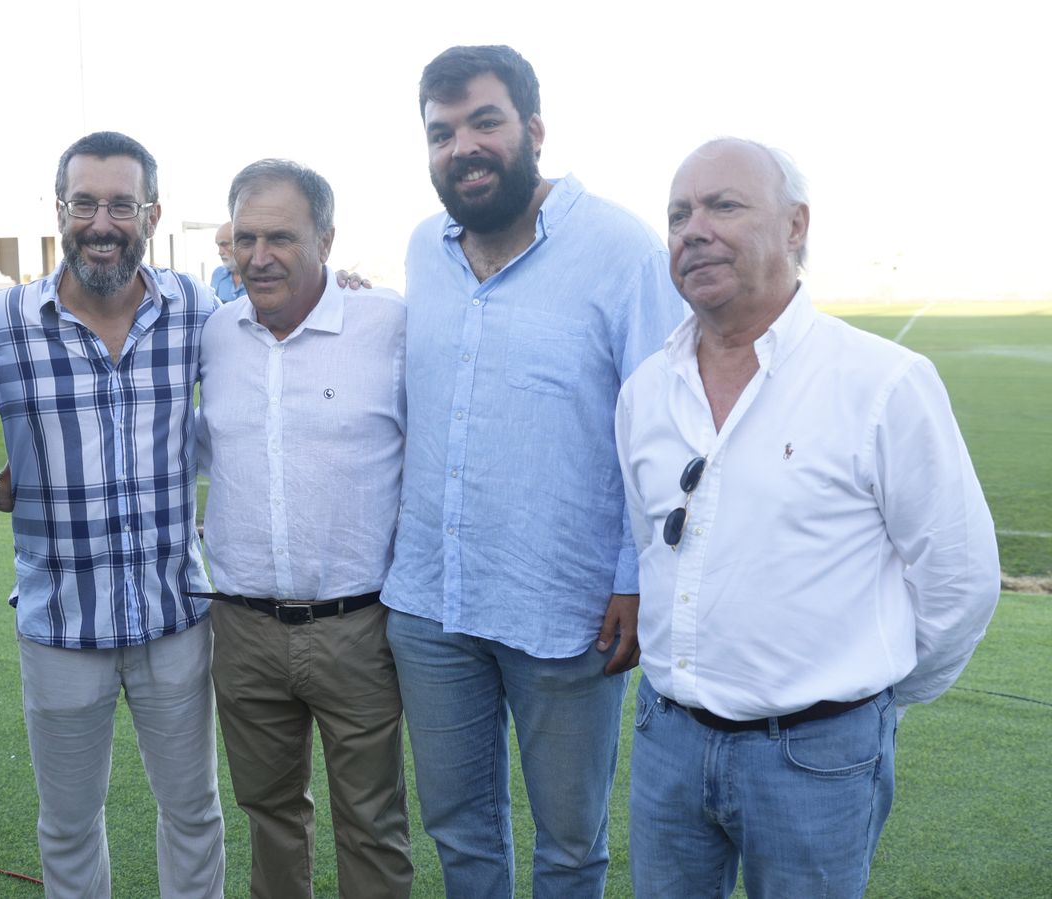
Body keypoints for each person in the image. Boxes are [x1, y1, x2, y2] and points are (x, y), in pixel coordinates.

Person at [617, 137, 1000, 897]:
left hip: (817, 758)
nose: (694, 228)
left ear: (796, 226)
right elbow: (655, 548)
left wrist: (865, 699)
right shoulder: (645, 391)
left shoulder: (882, 383)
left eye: (724, 205)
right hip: (668, 741)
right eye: (678, 214)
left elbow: (960, 579)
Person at [381, 45, 687, 897]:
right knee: (460, 830)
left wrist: (634, 577)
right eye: (441, 133)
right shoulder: (422, 247)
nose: (462, 147)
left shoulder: (621, 248)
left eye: (485, 121)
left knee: (570, 843)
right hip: (431, 603)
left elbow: (662, 428)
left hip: (569, 608)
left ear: (534, 129)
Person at [0, 131, 225, 898]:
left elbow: (274, 348)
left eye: (121, 203)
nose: (102, 221)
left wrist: (345, 287)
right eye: (85, 201)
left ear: (151, 213)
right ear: (60, 210)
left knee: (193, 812)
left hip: (175, 617)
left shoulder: (193, 308)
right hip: (59, 626)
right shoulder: (7, 321)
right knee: (67, 826)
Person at [196, 159, 412, 898]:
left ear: (325, 236)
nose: (259, 256)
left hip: (358, 627)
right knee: (270, 816)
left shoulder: (387, 324)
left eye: (282, 237)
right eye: (245, 238)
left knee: (372, 823)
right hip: (243, 625)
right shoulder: (214, 334)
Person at [210, 220, 246, 300]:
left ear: (241, 243)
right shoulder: (218, 274)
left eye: (224, 244)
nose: (220, 252)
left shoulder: (258, 276)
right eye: (218, 246)